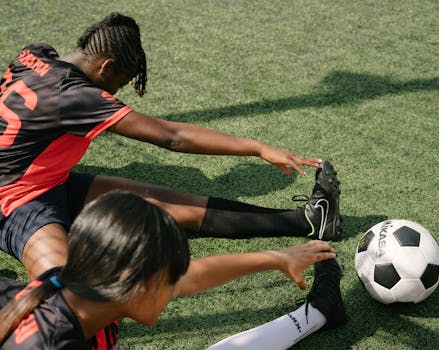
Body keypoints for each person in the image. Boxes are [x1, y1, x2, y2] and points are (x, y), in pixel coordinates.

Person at [0, 12, 342, 282]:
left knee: (177, 206)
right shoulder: (79, 97)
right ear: (105, 67)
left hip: (50, 181)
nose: (115, 94)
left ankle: (309, 221)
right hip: (14, 201)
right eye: (119, 83)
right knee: (63, 291)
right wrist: (257, 147)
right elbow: (171, 137)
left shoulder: (35, 54)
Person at [0, 191, 347, 349]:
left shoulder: (77, 286)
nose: (174, 292)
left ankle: (317, 313)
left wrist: (277, 257)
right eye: (168, 283)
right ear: (129, 280)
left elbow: (192, 276)